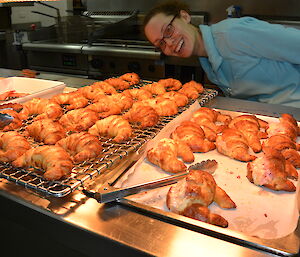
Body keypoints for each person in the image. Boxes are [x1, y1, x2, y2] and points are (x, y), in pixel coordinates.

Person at [143, 0, 300, 108]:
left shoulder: (233, 33)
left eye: (168, 30)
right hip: (271, 120)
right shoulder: (207, 61)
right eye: (161, 44)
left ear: (184, 17)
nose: (169, 43)